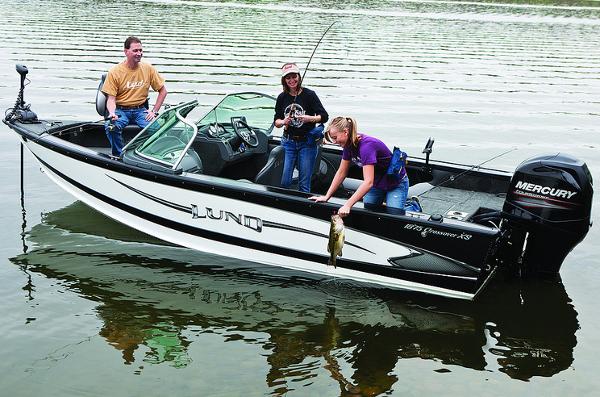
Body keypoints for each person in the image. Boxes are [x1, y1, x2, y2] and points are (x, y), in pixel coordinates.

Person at [309, 116, 422, 216]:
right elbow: (341, 172)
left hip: (395, 183)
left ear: (346, 132)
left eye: (335, 137)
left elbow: (368, 182)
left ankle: (413, 206)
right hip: (377, 183)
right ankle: (385, 201)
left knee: (394, 214)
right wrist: (326, 196)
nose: (334, 142)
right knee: (369, 209)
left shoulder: (366, 147)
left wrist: (348, 205)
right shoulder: (348, 145)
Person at [102, 36, 168, 157]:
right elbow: (111, 99)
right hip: (120, 110)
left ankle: (147, 155)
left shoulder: (148, 68)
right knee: (111, 127)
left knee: (157, 130)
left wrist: (154, 111)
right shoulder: (114, 72)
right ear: (126, 52)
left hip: (140, 110)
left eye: (140, 50)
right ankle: (119, 155)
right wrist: (112, 113)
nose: (139, 53)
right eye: (135, 51)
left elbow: (163, 91)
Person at [274, 62, 328, 193]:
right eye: (288, 78)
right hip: (288, 143)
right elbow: (276, 121)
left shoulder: (310, 95)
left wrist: (309, 118)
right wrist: (283, 121)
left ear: (299, 77)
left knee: (304, 183)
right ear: (284, 80)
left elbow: (324, 116)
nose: (292, 80)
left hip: (307, 143)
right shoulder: (282, 97)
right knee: (284, 181)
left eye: (294, 76)